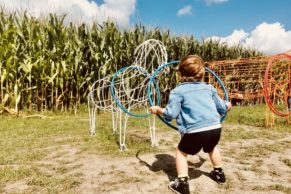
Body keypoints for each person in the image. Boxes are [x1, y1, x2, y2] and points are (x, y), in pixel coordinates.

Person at [149, 55, 232, 194]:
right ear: (203, 73)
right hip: (215, 129)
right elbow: (222, 108)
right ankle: (219, 174)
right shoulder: (209, 88)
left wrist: (158, 110)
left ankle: (182, 184)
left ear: (180, 75)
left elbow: (170, 114)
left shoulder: (178, 92)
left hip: (194, 131)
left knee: (181, 153)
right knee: (212, 147)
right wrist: (227, 105)